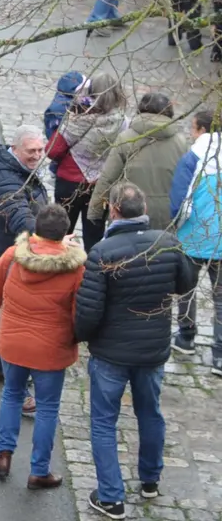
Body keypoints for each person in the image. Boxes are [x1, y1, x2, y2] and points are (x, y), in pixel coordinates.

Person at [74, 186, 199, 518]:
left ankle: (112, 497)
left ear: (113, 210)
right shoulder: (167, 244)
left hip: (111, 355)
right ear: (143, 207)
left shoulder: (102, 253)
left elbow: (89, 312)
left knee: (103, 422)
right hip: (152, 351)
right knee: (150, 413)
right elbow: (187, 283)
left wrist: (80, 337)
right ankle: (149, 480)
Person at [0, 204, 84, 490]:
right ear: (65, 233)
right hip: (51, 349)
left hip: (13, 343)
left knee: (12, 395)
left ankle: (4, 456)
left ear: (35, 229)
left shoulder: (13, 255)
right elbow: (80, 314)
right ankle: (39, 471)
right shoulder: (76, 268)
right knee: (48, 408)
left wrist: (12, 310)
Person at [0, 126, 53, 381]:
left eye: (41, 150)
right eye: (31, 151)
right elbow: (20, 217)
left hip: (13, 253)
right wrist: (52, 238)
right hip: (7, 257)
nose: (37, 155)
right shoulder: (6, 179)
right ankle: (12, 380)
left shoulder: (21, 170)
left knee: (8, 315)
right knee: (12, 318)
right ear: (15, 148)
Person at [49, 73, 127, 248]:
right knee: (95, 236)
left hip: (69, 183)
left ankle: (62, 270)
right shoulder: (123, 123)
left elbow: (53, 150)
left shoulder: (76, 118)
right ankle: (90, 271)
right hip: (101, 186)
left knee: (61, 234)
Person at [170, 109, 222, 370]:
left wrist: (174, 225)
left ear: (201, 129)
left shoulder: (193, 158)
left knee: (187, 291)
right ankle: (220, 354)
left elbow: (180, 199)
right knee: (221, 298)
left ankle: (186, 337)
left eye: (192, 128)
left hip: (191, 236)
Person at [90, 92, 189, 228]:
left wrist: (95, 211)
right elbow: (188, 181)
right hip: (167, 214)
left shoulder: (126, 139)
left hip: (128, 211)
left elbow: (108, 178)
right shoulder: (181, 143)